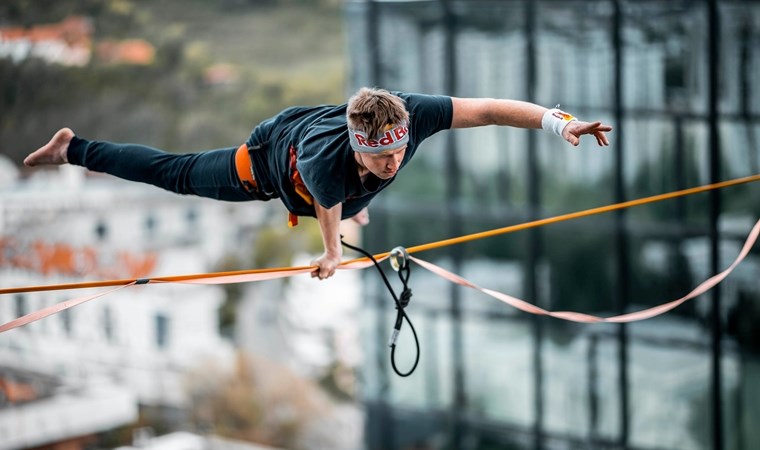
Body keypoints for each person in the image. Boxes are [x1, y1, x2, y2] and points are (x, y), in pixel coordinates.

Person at [24, 87, 612, 280]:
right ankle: (72, 148)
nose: (396, 161)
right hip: (271, 160)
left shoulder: (413, 115)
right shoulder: (330, 165)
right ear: (361, 147)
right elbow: (325, 210)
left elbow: (486, 110)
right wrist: (333, 253)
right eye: (383, 158)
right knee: (174, 174)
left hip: (333, 179)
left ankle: (357, 207)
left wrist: (558, 124)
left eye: (399, 151)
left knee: (352, 198)